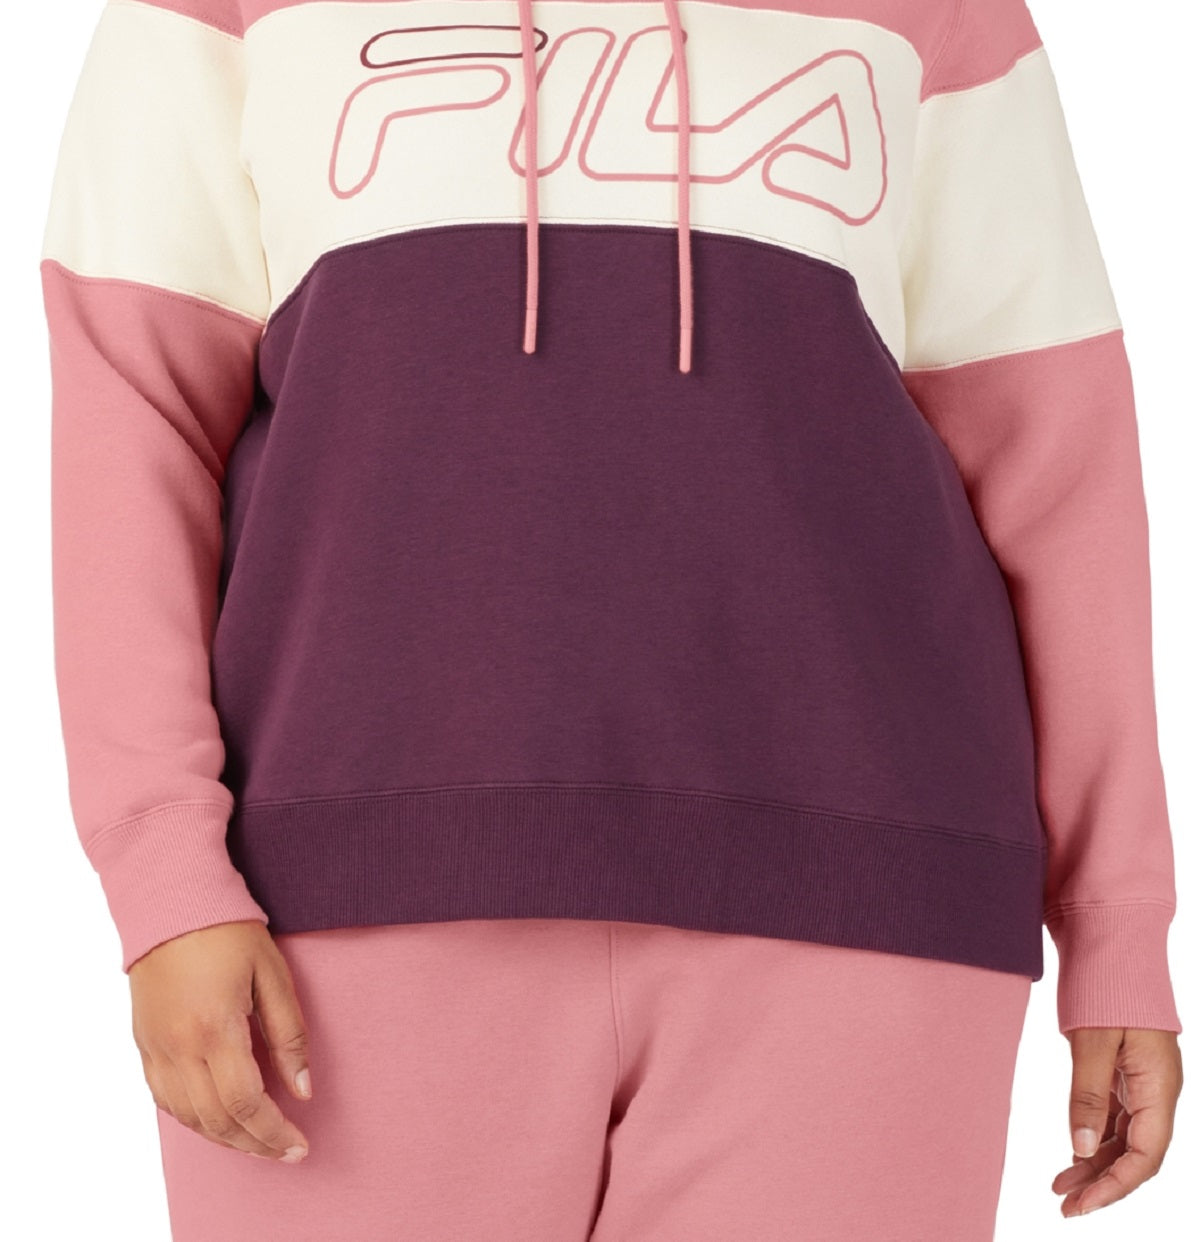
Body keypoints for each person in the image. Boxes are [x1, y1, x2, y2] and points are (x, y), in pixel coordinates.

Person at [39, 0, 1184, 1238]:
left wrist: (1116, 920)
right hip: (349, 891)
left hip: (867, 890)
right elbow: (131, 426)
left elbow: (1058, 470)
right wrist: (166, 877)